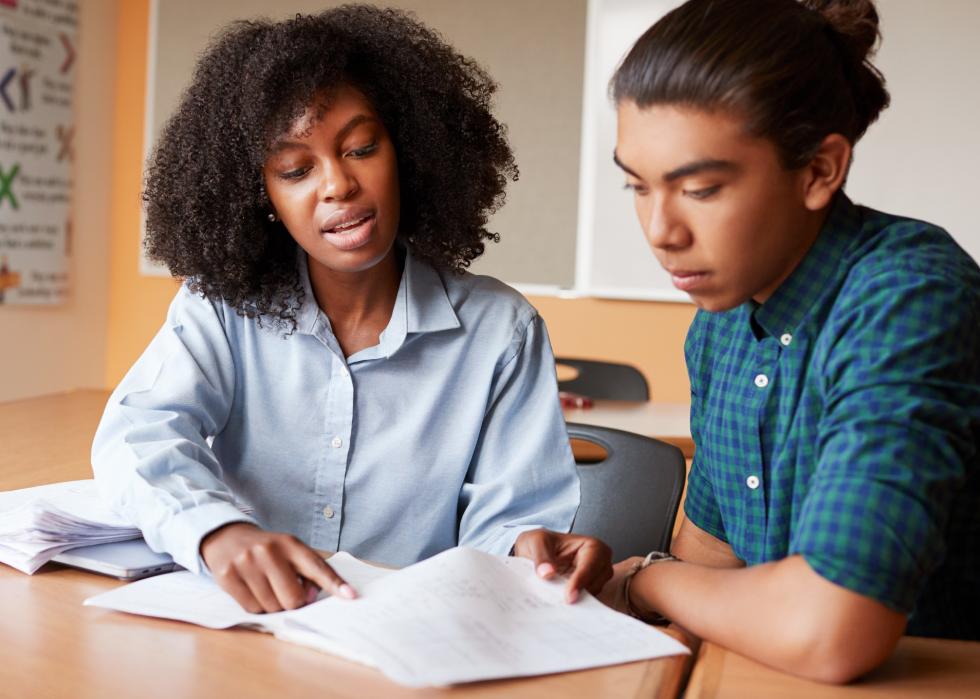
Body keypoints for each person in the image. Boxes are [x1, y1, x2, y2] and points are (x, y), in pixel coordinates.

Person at [92, 6, 611, 615]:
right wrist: (214, 530)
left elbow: (507, 527)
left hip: (408, 641)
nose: (337, 184)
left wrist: (529, 549)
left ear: (410, 153)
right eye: (295, 169)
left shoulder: (500, 331)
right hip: (245, 629)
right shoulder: (221, 308)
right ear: (262, 195)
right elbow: (139, 433)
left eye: (361, 147)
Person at [598, 0, 980, 683]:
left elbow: (832, 628)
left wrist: (646, 579)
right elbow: (709, 560)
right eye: (637, 185)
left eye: (702, 188)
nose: (660, 229)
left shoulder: (908, 296)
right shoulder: (719, 321)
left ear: (819, 171)